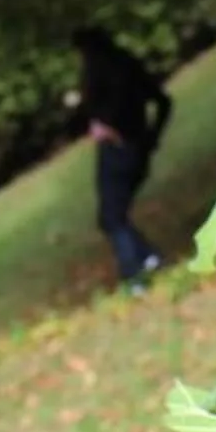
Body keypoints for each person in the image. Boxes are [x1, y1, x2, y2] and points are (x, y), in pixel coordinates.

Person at [73, 27, 171, 286]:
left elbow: (95, 111)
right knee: (115, 214)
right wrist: (152, 137)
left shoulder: (95, 74)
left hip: (116, 148)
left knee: (112, 216)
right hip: (138, 146)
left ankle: (136, 272)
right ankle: (147, 258)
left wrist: (102, 126)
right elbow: (163, 101)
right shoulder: (127, 64)